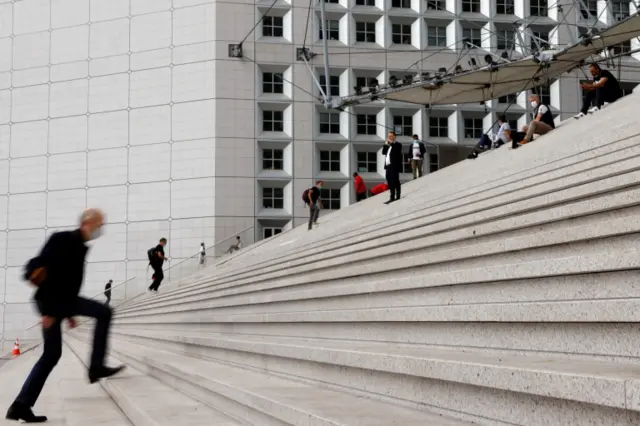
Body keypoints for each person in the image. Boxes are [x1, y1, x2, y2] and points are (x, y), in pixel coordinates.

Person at [5, 209, 124, 423]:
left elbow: (67, 283)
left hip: (63, 304)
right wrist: (48, 311)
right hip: (52, 303)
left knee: (52, 355)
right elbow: (42, 268)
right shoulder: (63, 239)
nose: (101, 230)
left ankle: (20, 406)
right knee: (103, 312)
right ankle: (96, 367)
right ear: (88, 223)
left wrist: (68, 314)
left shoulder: (79, 246)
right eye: (100, 225)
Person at [382, 131, 402, 204]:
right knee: (389, 181)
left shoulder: (398, 144)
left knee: (395, 181)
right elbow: (383, 152)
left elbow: (397, 151)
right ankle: (392, 197)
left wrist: (391, 144)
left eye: (391, 136)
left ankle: (397, 196)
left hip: (394, 166)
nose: (389, 137)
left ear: (394, 136)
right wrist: (385, 145)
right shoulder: (388, 146)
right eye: (388, 136)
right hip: (388, 166)